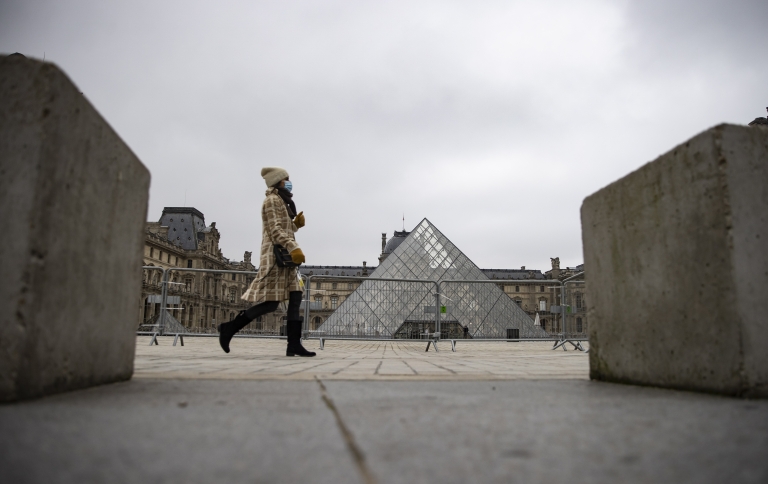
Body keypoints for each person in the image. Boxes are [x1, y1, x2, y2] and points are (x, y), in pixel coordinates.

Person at [217, 166, 316, 357]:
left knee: (296, 297)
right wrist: (292, 247)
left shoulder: (282, 200)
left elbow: (284, 229)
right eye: (286, 178)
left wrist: (296, 225)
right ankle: (229, 328)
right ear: (277, 181)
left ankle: (293, 345)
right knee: (272, 304)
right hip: (276, 257)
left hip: (286, 258)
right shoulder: (271, 201)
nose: (289, 181)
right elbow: (274, 230)